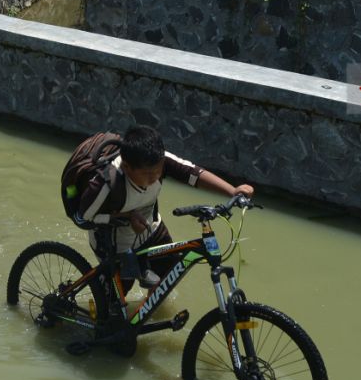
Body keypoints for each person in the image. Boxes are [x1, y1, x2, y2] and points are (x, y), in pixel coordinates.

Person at [73, 125, 253, 293]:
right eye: (148, 174)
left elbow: (192, 173)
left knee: (168, 276)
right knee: (113, 306)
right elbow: (83, 218)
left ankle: (147, 312)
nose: (155, 176)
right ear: (127, 167)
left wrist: (232, 190)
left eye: (158, 171)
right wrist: (126, 217)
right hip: (114, 246)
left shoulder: (159, 160)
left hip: (152, 231)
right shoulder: (106, 183)